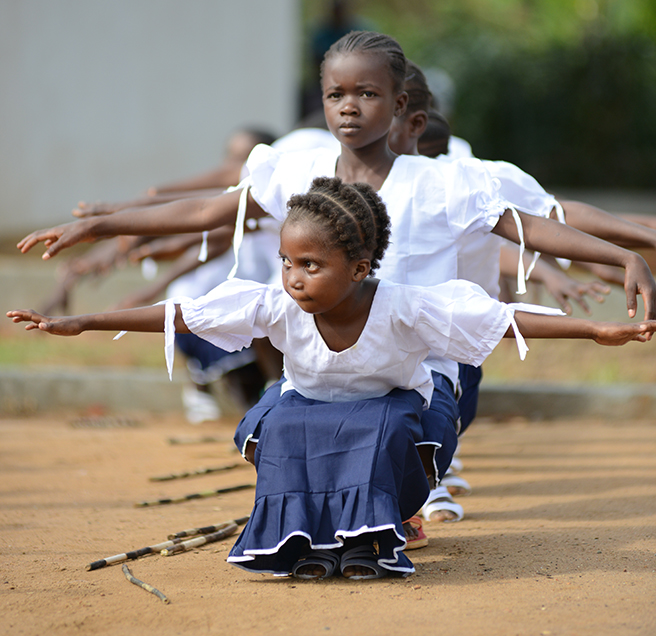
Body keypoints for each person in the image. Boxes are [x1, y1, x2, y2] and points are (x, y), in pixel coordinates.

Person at [16, 30, 656, 539]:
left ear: (401, 106)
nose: (350, 107)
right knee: (280, 433)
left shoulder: (446, 183)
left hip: (421, 371)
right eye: (335, 95)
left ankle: (411, 486)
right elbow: (207, 211)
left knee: (389, 448)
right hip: (326, 366)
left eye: (368, 95)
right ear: (321, 101)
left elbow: (539, 226)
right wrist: (103, 225)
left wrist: (622, 253)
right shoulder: (294, 169)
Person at [8, 177, 656, 580]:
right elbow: (184, 311)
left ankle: (381, 533)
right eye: (288, 261)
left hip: (394, 421)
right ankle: (305, 541)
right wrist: (82, 321)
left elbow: (503, 316)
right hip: (314, 415)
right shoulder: (275, 301)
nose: (293, 278)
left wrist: (598, 332)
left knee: (379, 428)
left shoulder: (404, 304)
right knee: (284, 420)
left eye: (312, 265)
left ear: (362, 265)